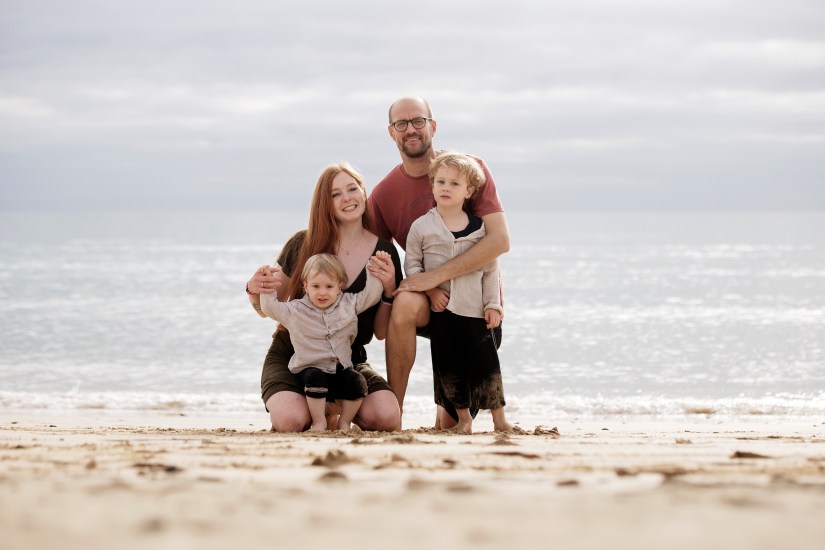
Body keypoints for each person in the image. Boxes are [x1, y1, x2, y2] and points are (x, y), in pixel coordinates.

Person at [369, 97, 511, 422]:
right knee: (405, 302)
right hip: (429, 307)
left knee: (449, 425)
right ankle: (395, 413)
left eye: (418, 121)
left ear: (432, 126)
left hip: (474, 310)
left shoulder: (469, 170)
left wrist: (434, 278)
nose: (410, 129)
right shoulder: (383, 195)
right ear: (391, 133)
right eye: (401, 124)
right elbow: (373, 257)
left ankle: (465, 416)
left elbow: (500, 241)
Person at [246, 163, 402, 432]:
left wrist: (388, 291)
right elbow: (266, 307)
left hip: (346, 359)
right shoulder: (303, 243)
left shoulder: (383, 252)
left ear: (364, 192)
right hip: (293, 355)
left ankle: (334, 409)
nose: (347, 198)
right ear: (325, 203)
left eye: (352, 189)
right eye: (335, 194)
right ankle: (318, 411)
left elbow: (380, 332)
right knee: (290, 421)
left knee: (387, 417)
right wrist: (253, 288)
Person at [405, 152, 513, 433]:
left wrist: (493, 305)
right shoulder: (421, 227)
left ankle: (500, 420)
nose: (445, 188)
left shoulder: (480, 228)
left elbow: (490, 270)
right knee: (448, 370)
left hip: (476, 311)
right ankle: (464, 421)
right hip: (443, 313)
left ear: (469, 191)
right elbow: (412, 267)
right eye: (440, 181)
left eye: (454, 184)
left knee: (487, 367)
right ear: (431, 185)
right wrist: (430, 293)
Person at [259, 252, 388, 432]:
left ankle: (344, 422)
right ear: (306, 286)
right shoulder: (296, 310)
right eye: (316, 286)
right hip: (308, 368)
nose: (322, 292)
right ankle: (319, 421)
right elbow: (270, 308)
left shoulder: (348, 304)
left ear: (339, 287)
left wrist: (372, 269)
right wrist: (267, 287)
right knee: (315, 378)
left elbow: (371, 295)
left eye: (329, 286)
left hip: (340, 367)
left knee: (357, 382)